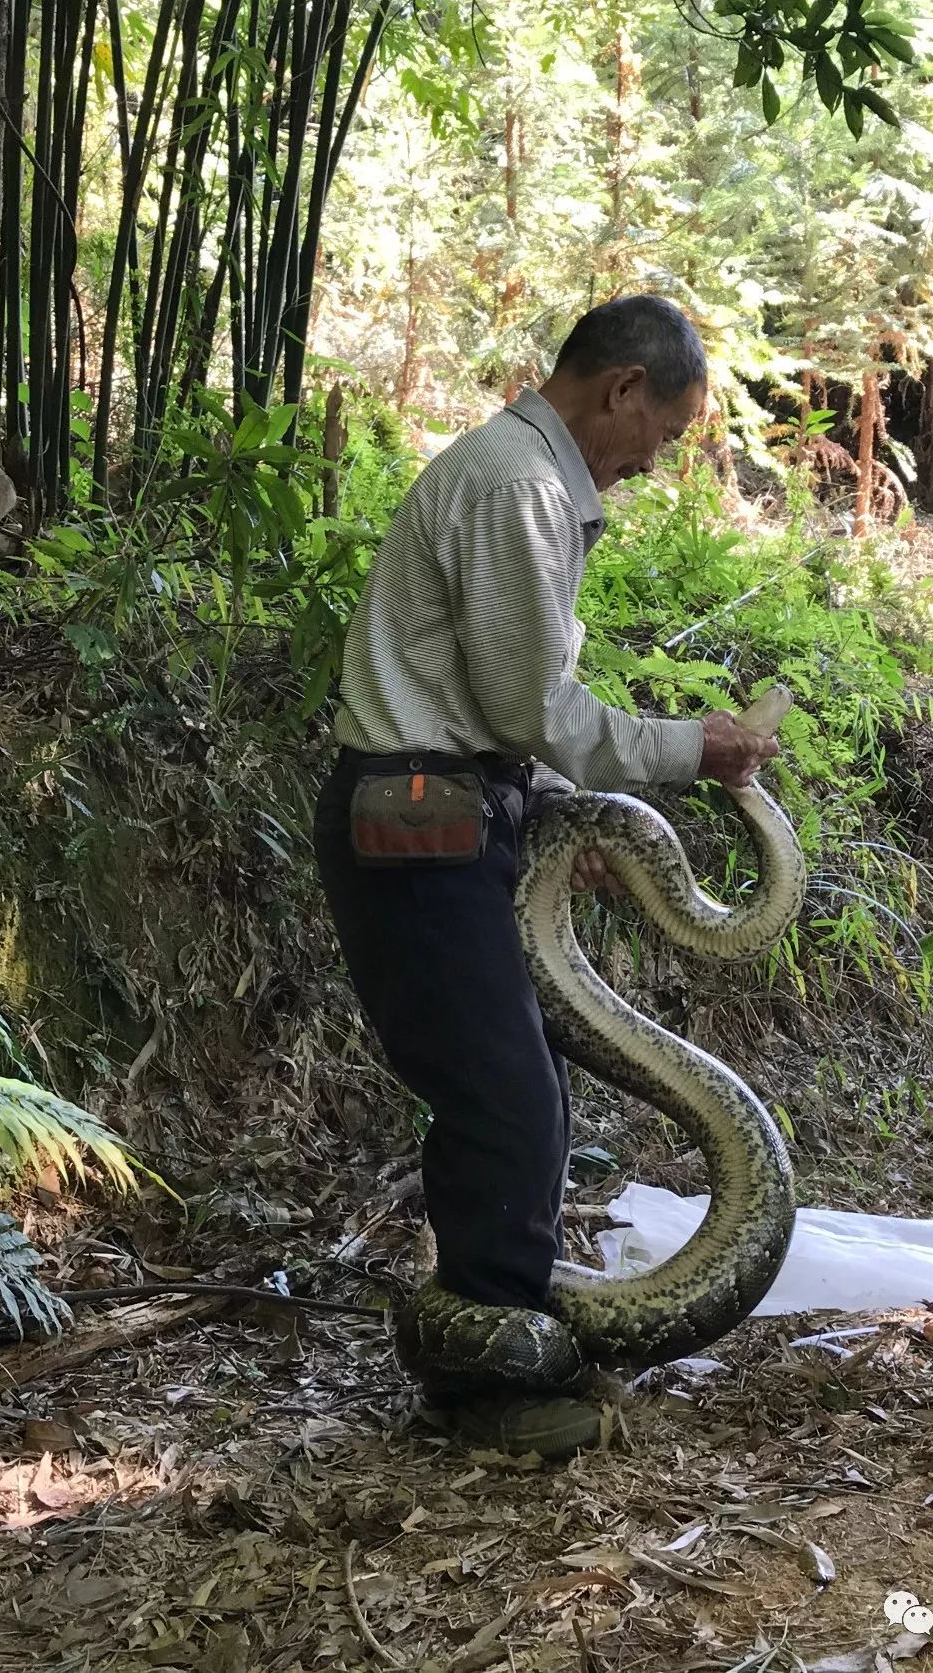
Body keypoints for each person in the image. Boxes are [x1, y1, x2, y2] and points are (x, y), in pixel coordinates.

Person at [312, 295, 778, 1457]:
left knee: (512, 1091)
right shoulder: (518, 482)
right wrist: (693, 747)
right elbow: (532, 709)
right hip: (416, 815)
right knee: (502, 1096)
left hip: (447, 807)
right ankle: (484, 1380)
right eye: (658, 436)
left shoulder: (520, 473)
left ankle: (488, 1331)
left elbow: (494, 717)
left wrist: (558, 824)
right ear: (620, 388)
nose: (649, 464)